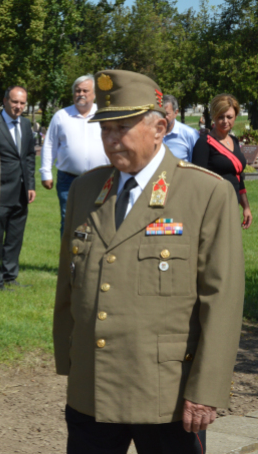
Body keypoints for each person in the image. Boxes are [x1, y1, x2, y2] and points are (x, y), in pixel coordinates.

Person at [54, 70, 245, 454]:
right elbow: (68, 283)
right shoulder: (86, 189)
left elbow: (221, 299)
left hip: (167, 396)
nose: (111, 139)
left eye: (122, 128)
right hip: (93, 386)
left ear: (159, 128)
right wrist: (70, 359)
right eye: (104, 129)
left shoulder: (205, 192)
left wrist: (205, 390)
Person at [40, 75, 109, 235]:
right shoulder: (61, 116)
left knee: (100, 220)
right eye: (78, 91)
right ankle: (68, 259)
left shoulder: (104, 114)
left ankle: (93, 259)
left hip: (101, 178)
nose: (81, 94)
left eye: (85, 90)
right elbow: (49, 144)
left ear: (94, 94)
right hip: (68, 180)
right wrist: (45, 172)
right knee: (69, 219)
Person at [0, 86, 35, 290]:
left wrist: (31, 185)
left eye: (22, 103)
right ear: (5, 101)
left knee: (15, 237)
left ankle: (10, 275)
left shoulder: (25, 124)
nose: (18, 107)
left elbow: (29, 156)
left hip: (22, 192)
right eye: (15, 102)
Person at [193, 93, 252, 229]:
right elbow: (196, 182)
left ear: (235, 116)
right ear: (214, 116)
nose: (225, 121)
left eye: (229, 117)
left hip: (232, 205)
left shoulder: (234, 141)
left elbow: (238, 177)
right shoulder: (204, 143)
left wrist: (246, 207)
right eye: (221, 117)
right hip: (213, 209)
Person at [162, 95, 199, 162]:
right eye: (161, 113)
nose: (163, 118)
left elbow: (197, 165)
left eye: (166, 114)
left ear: (175, 113)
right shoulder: (152, 133)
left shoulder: (190, 134)